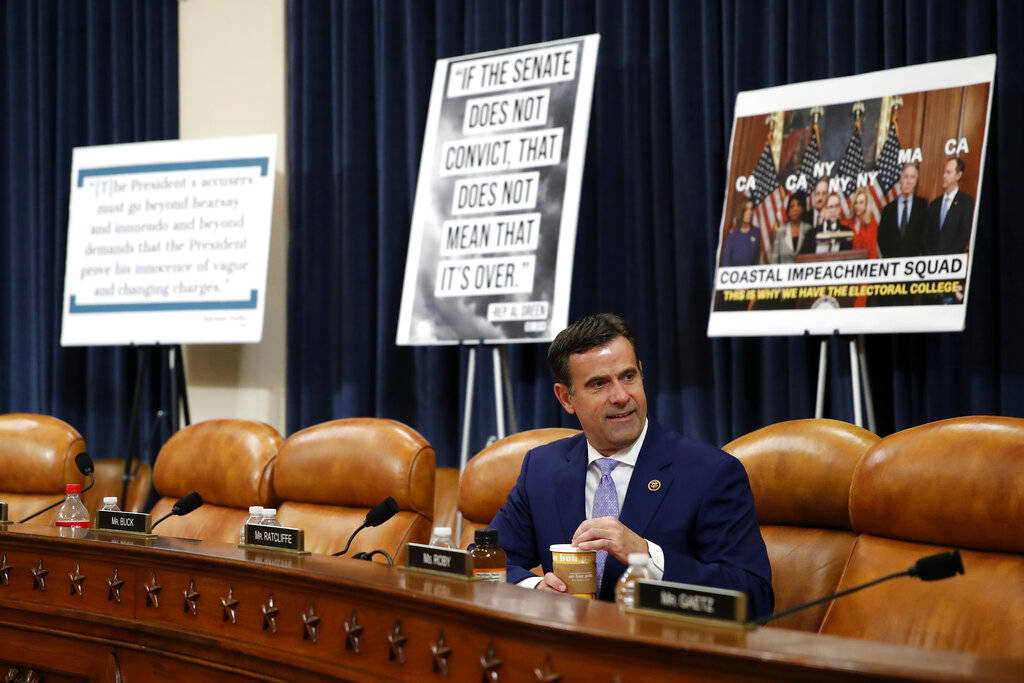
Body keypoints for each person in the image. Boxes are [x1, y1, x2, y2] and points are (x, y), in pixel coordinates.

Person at [487, 314, 774, 618]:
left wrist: (647, 556)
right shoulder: (542, 468)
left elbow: (753, 598)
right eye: (599, 384)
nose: (622, 396)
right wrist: (535, 589)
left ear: (641, 374)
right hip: (564, 651)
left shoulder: (709, 472)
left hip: (659, 653)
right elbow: (485, 562)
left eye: (628, 377)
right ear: (566, 398)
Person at [877, 162, 928, 258]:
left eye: (912, 177)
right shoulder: (888, 209)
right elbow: (882, 238)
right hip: (892, 264)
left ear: (916, 181)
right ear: (900, 180)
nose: (908, 181)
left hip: (914, 265)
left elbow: (925, 237)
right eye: (906, 177)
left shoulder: (923, 207)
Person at [926, 157, 974, 255]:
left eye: (948, 172)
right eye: (944, 172)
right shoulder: (934, 204)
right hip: (932, 263)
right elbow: (927, 236)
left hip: (952, 263)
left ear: (958, 175)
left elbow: (964, 235)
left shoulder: (966, 202)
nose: (944, 176)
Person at [770, 192, 811, 263]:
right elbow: (774, 259)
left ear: (803, 209)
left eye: (798, 205)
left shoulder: (808, 229)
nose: (795, 209)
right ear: (788, 211)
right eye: (792, 206)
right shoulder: (780, 231)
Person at [721, 198, 762, 266]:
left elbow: (756, 259)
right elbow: (726, 261)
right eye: (746, 210)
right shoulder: (732, 236)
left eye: (751, 209)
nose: (749, 213)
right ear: (741, 211)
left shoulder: (756, 233)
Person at [842, 187, 879, 259]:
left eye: (861, 202)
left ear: (866, 205)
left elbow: (873, 251)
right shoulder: (845, 224)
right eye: (856, 203)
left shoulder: (872, 224)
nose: (857, 206)